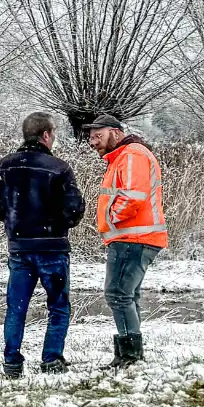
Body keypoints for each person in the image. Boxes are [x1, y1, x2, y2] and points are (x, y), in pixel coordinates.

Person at [0, 112, 85, 377]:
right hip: (52, 247)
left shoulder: (4, 166)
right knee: (58, 306)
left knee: (17, 307)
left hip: (19, 247)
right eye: (53, 134)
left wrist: (14, 220)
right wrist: (57, 223)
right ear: (45, 135)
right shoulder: (59, 168)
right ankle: (51, 359)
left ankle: (12, 361)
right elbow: (75, 210)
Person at [82, 114, 168, 369]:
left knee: (118, 294)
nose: (92, 143)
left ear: (116, 133)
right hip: (134, 236)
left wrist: (112, 218)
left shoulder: (132, 155)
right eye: (90, 138)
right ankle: (130, 355)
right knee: (127, 295)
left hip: (133, 236)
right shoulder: (125, 156)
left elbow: (133, 196)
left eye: (98, 136)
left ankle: (129, 357)